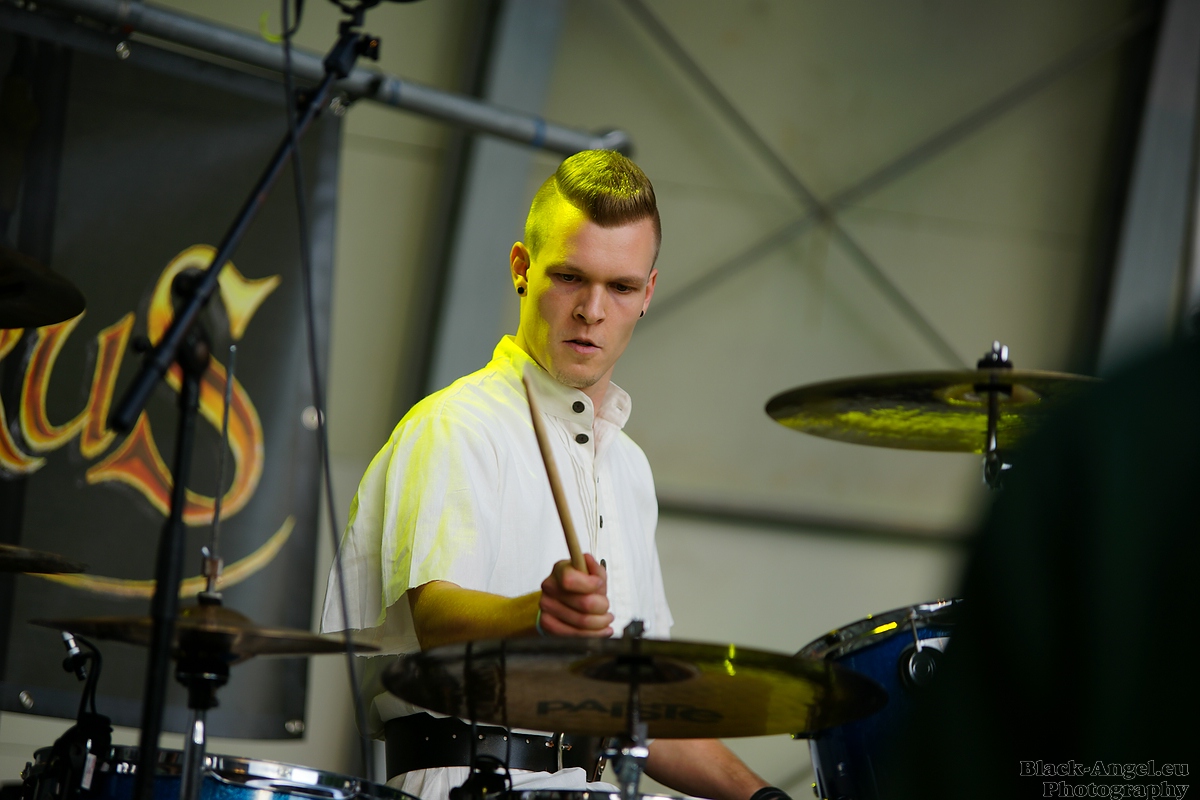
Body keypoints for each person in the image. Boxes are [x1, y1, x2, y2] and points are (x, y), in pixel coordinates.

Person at [322, 151, 785, 800]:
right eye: (570, 277)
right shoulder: (457, 424)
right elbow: (437, 617)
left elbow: (644, 709)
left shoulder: (629, 468)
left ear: (648, 294)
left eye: (621, 287)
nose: (592, 310)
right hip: (467, 780)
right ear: (522, 268)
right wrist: (538, 614)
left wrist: (766, 797)